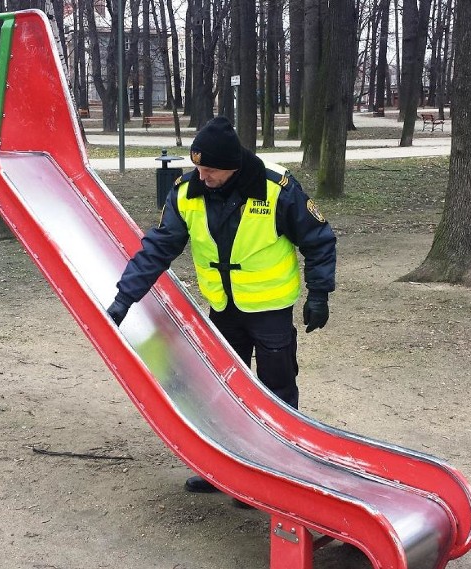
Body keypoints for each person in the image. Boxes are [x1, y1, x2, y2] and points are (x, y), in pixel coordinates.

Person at [106, 116, 337, 494]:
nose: (202, 175)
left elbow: (318, 239)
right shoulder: (186, 192)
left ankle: (276, 472)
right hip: (223, 308)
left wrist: (319, 294)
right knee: (223, 390)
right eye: (197, 166)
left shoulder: (276, 188)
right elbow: (157, 249)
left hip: (269, 308)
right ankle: (224, 467)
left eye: (210, 169)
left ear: (232, 166)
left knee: (276, 389)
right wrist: (123, 300)